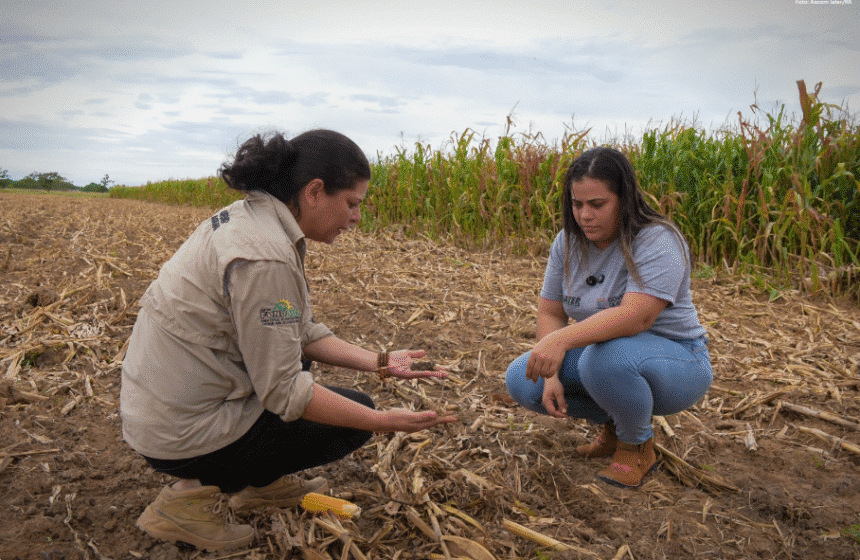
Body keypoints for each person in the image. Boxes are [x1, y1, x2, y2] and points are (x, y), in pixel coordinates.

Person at [120, 129, 456, 551]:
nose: (355, 218)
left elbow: (298, 332)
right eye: (352, 204)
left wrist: (380, 361)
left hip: (166, 407)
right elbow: (284, 392)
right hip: (178, 432)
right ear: (315, 191)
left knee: (301, 366)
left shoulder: (254, 219)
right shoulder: (265, 256)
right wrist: (380, 422)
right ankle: (185, 500)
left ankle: (260, 482)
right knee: (348, 422)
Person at [505, 146, 712, 489]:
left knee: (602, 360)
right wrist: (552, 372)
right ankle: (618, 424)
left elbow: (637, 317)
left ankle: (637, 446)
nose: (584, 215)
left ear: (624, 199)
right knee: (523, 380)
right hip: (609, 360)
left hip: (678, 362)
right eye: (577, 204)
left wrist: (561, 341)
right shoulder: (567, 243)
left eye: (597, 205)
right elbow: (551, 310)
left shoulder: (658, 239)